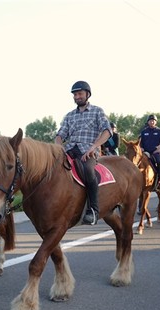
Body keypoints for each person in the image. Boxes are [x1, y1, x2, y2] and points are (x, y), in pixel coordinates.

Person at [55, 81, 112, 225]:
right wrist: (58, 147)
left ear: (87, 94)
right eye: (75, 94)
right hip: (69, 150)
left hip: (88, 151)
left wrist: (94, 147)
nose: (77, 96)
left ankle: (93, 210)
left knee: (88, 170)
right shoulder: (69, 116)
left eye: (80, 94)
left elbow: (107, 131)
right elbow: (60, 135)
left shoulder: (97, 111)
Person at [139, 114, 160, 186]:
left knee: (159, 162)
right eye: (150, 121)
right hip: (145, 152)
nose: (152, 122)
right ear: (148, 122)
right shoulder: (143, 132)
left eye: (153, 121)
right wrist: (141, 147)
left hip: (155, 152)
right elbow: (139, 142)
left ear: (156, 122)